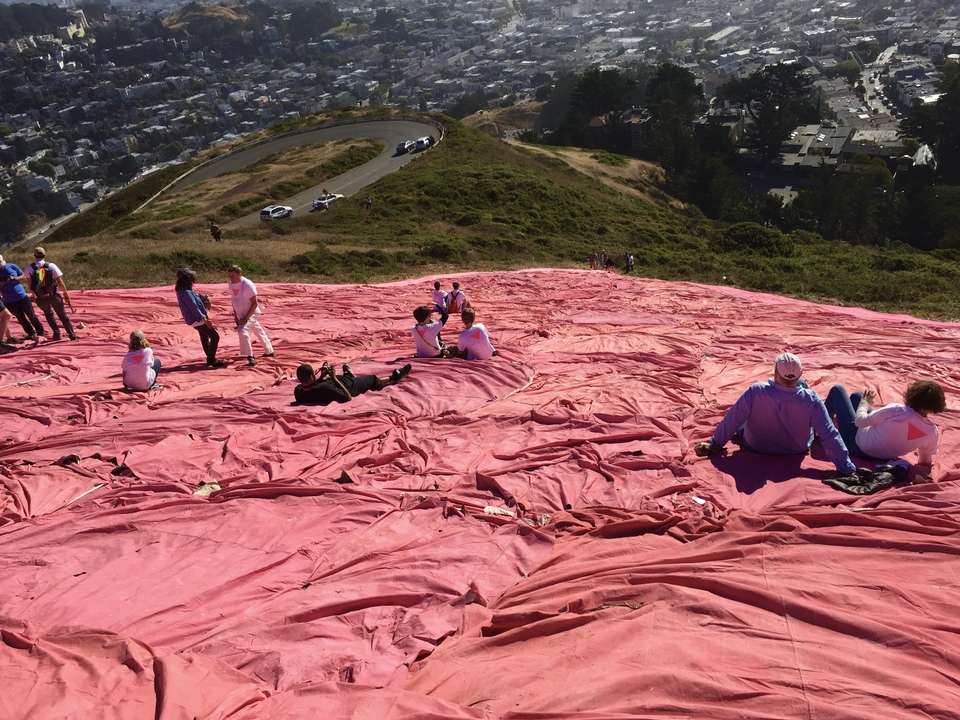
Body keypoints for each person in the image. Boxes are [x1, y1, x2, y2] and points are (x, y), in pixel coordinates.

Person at [696, 353, 857, 477]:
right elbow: (829, 434)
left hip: (756, 446)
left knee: (742, 419)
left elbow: (732, 419)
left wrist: (715, 444)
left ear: (775, 372)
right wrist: (846, 468)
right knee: (802, 390)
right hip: (795, 448)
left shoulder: (756, 391)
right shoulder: (811, 399)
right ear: (800, 373)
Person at [826, 381, 945, 480]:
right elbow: (925, 461)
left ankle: (820, 427)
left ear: (913, 394)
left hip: (853, 443)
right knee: (857, 396)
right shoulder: (932, 432)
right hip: (881, 458)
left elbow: (860, 422)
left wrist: (865, 403)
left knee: (838, 390)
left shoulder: (898, 411)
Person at [294, 361, 411, 405]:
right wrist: (334, 378)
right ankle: (393, 377)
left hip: (339, 382)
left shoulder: (299, 391)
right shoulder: (325, 388)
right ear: (311, 376)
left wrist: (323, 376)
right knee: (371, 379)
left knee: (346, 377)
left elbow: (310, 385)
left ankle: (348, 375)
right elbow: (347, 397)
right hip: (350, 387)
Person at [175, 267, 226, 368]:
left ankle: (210, 358)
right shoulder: (186, 292)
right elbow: (193, 306)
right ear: (187, 278)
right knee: (215, 337)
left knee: (204, 336)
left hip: (193, 319)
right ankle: (211, 359)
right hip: (197, 319)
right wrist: (204, 319)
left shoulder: (182, 290)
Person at [25, 247, 77, 342]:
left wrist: (35, 296)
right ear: (44, 255)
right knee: (63, 315)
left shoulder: (29, 268)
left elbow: (30, 285)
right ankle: (72, 335)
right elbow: (60, 282)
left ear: (34, 255)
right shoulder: (51, 266)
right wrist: (65, 294)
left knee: (48, 314)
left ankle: (57, 334)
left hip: (40, 297)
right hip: (53, 295)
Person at [227, 265, 274, 367]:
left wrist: (246, 318)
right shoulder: (230, 285)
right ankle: (269, 350)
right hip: (241, 314)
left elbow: (254, 303)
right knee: (258, 330)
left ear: (240, 274)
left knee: (242, 331)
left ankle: (250, 356)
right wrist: (236, 316)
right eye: (229, 275)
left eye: (233, 275)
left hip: (252, 313)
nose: (231, 278)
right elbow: (234, 300)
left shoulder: (247, 285)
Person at [0, 254, 45, 340]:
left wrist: (15, 278)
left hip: (22, 296)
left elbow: (24, 276)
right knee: (21, 318)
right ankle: (30, 332)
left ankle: (40, 331)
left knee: (32, 315)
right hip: (9, 300)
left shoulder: (12, 266)